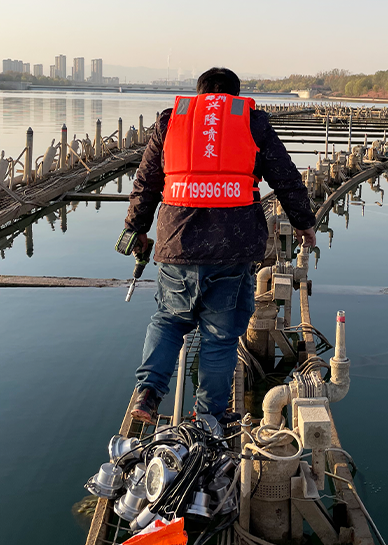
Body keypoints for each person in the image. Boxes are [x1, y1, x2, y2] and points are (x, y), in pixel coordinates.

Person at [123, 67, 316, 423]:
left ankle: (149, 393)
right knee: (220, 337)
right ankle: (209, 416)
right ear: (235, 95)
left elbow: (145, 183)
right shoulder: (252, 121)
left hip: (176, 245)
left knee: (168, 321)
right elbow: (286, 177)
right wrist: (304, 223)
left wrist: (136, 229)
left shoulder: (171, 122)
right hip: (233, 250)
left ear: (199, 95)